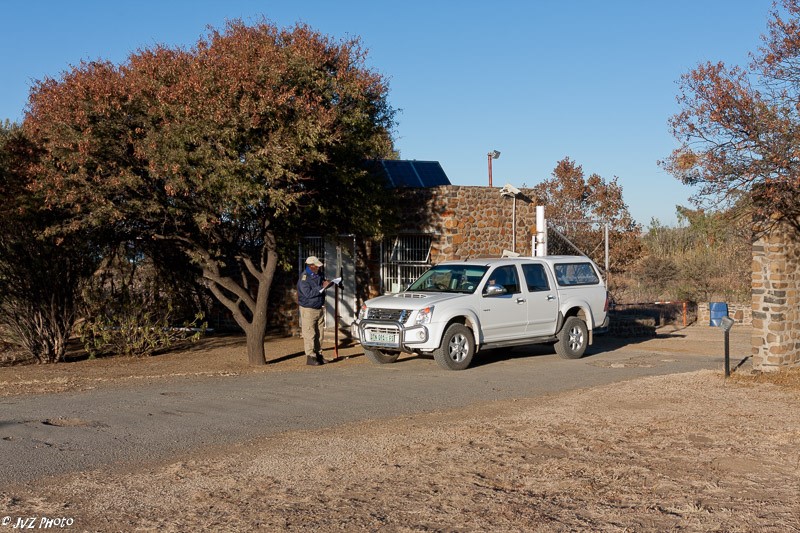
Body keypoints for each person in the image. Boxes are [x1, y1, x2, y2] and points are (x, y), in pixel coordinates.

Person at [297, 256, 332, 366]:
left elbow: (322, 285)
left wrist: (327, 283)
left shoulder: (318, 275)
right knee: (309, 333)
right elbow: (308, 294)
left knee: (319, 333)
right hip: (308, 309)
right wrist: (322, 287)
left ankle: (318, 354)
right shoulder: (304, 278)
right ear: (311, 266)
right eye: (316, 266)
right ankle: (310, 356)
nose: (318, 267)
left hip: (318, 307)